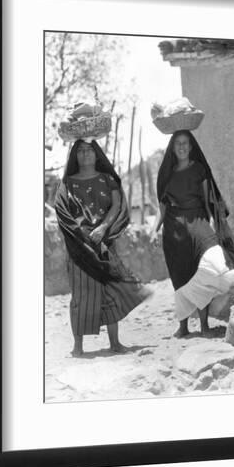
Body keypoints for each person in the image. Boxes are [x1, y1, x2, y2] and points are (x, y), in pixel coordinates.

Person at [150, 130, 234, 337]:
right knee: (180, 276)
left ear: (191, 146)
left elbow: (207, 200)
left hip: (199, 222)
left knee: (210, 267)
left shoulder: (198, 169)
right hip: (174, 230)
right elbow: (162, 207)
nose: (182, 147)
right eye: (178, 143)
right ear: (172, 147)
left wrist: (213, 221)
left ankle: (205, 324)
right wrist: (155, 230)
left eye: (185, 143)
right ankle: (184, 326)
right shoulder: (166, 173)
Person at [55, 139, 151, 356]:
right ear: (75, 155)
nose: (85, 154)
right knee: (80, 295)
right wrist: (81, 235)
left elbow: (117, 206)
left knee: (110, 291)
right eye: (80, 151)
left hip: (104, 243)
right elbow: (61, 211)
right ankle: (77, 347)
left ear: (97, 154)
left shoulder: (107, 179)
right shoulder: (67, 184)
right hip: (79, 247)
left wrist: (103, 229)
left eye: (89, 150)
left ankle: (115, 343)